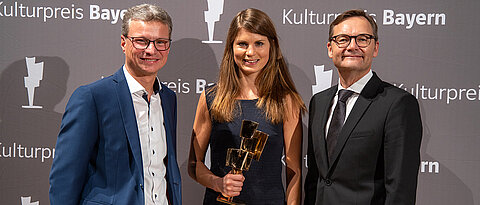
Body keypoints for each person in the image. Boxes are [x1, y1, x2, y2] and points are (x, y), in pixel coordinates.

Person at [49, 4, 181, 205]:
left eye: (160, 42)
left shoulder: (168, 98)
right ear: (123, 43)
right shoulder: (92, 97)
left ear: (168, 46)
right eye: (141, 41)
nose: (151, 50)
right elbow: (65, 178)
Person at [188, 8, 305, 205]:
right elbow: (194, 164)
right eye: (242, 44)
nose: (250, 52)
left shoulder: (286, 100)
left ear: (272, 46)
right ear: (231, 47)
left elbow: (294, 172)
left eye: (259, 43)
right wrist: (218, 183)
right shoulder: (211, 97)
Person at [305, 9, 422, 204]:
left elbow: (400, 189)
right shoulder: (319, 101)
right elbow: (315, 178)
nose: (352, 46)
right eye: (342, 39)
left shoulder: (397, 104)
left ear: (375, 48)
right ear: (330, 48)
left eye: (362, 39)